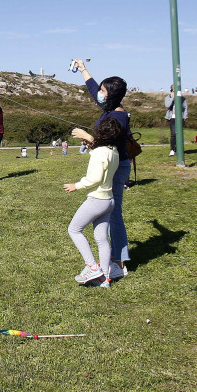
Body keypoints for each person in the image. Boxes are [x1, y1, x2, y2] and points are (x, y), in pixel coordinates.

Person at [70, 59, 131, 278]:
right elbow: (93, 89)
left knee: (114, 213)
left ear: (112, 95)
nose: (100, 94)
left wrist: (87, 137)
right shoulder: (109, 108)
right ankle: (110, 260)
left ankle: (119, 263)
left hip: (117, 166)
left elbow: (107, 143)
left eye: (104, 91)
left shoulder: (119, 116)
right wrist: (83, 70)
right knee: (108, 215)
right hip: (111, 164)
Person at [63, 117, 123, 288]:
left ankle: (91, 267)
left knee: (74, 229)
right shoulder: (114, 151)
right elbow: (101, 156)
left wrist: (77, 185)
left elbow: (94, 178)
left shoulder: (99, 153)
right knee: (101, 238)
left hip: (97, 200)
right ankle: (104, 278)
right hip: (109, 200)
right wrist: (91, 143)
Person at [164, 85, 189, 157]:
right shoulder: (168, 97)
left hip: (180, 118)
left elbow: (185, 108)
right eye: (173, 90)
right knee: (173, 134)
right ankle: (172, 149)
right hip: (172, 118)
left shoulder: (183, 99)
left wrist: (184, 117)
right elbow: (167, 105)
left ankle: (179, 150)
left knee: (179, 134)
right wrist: (173, 98)